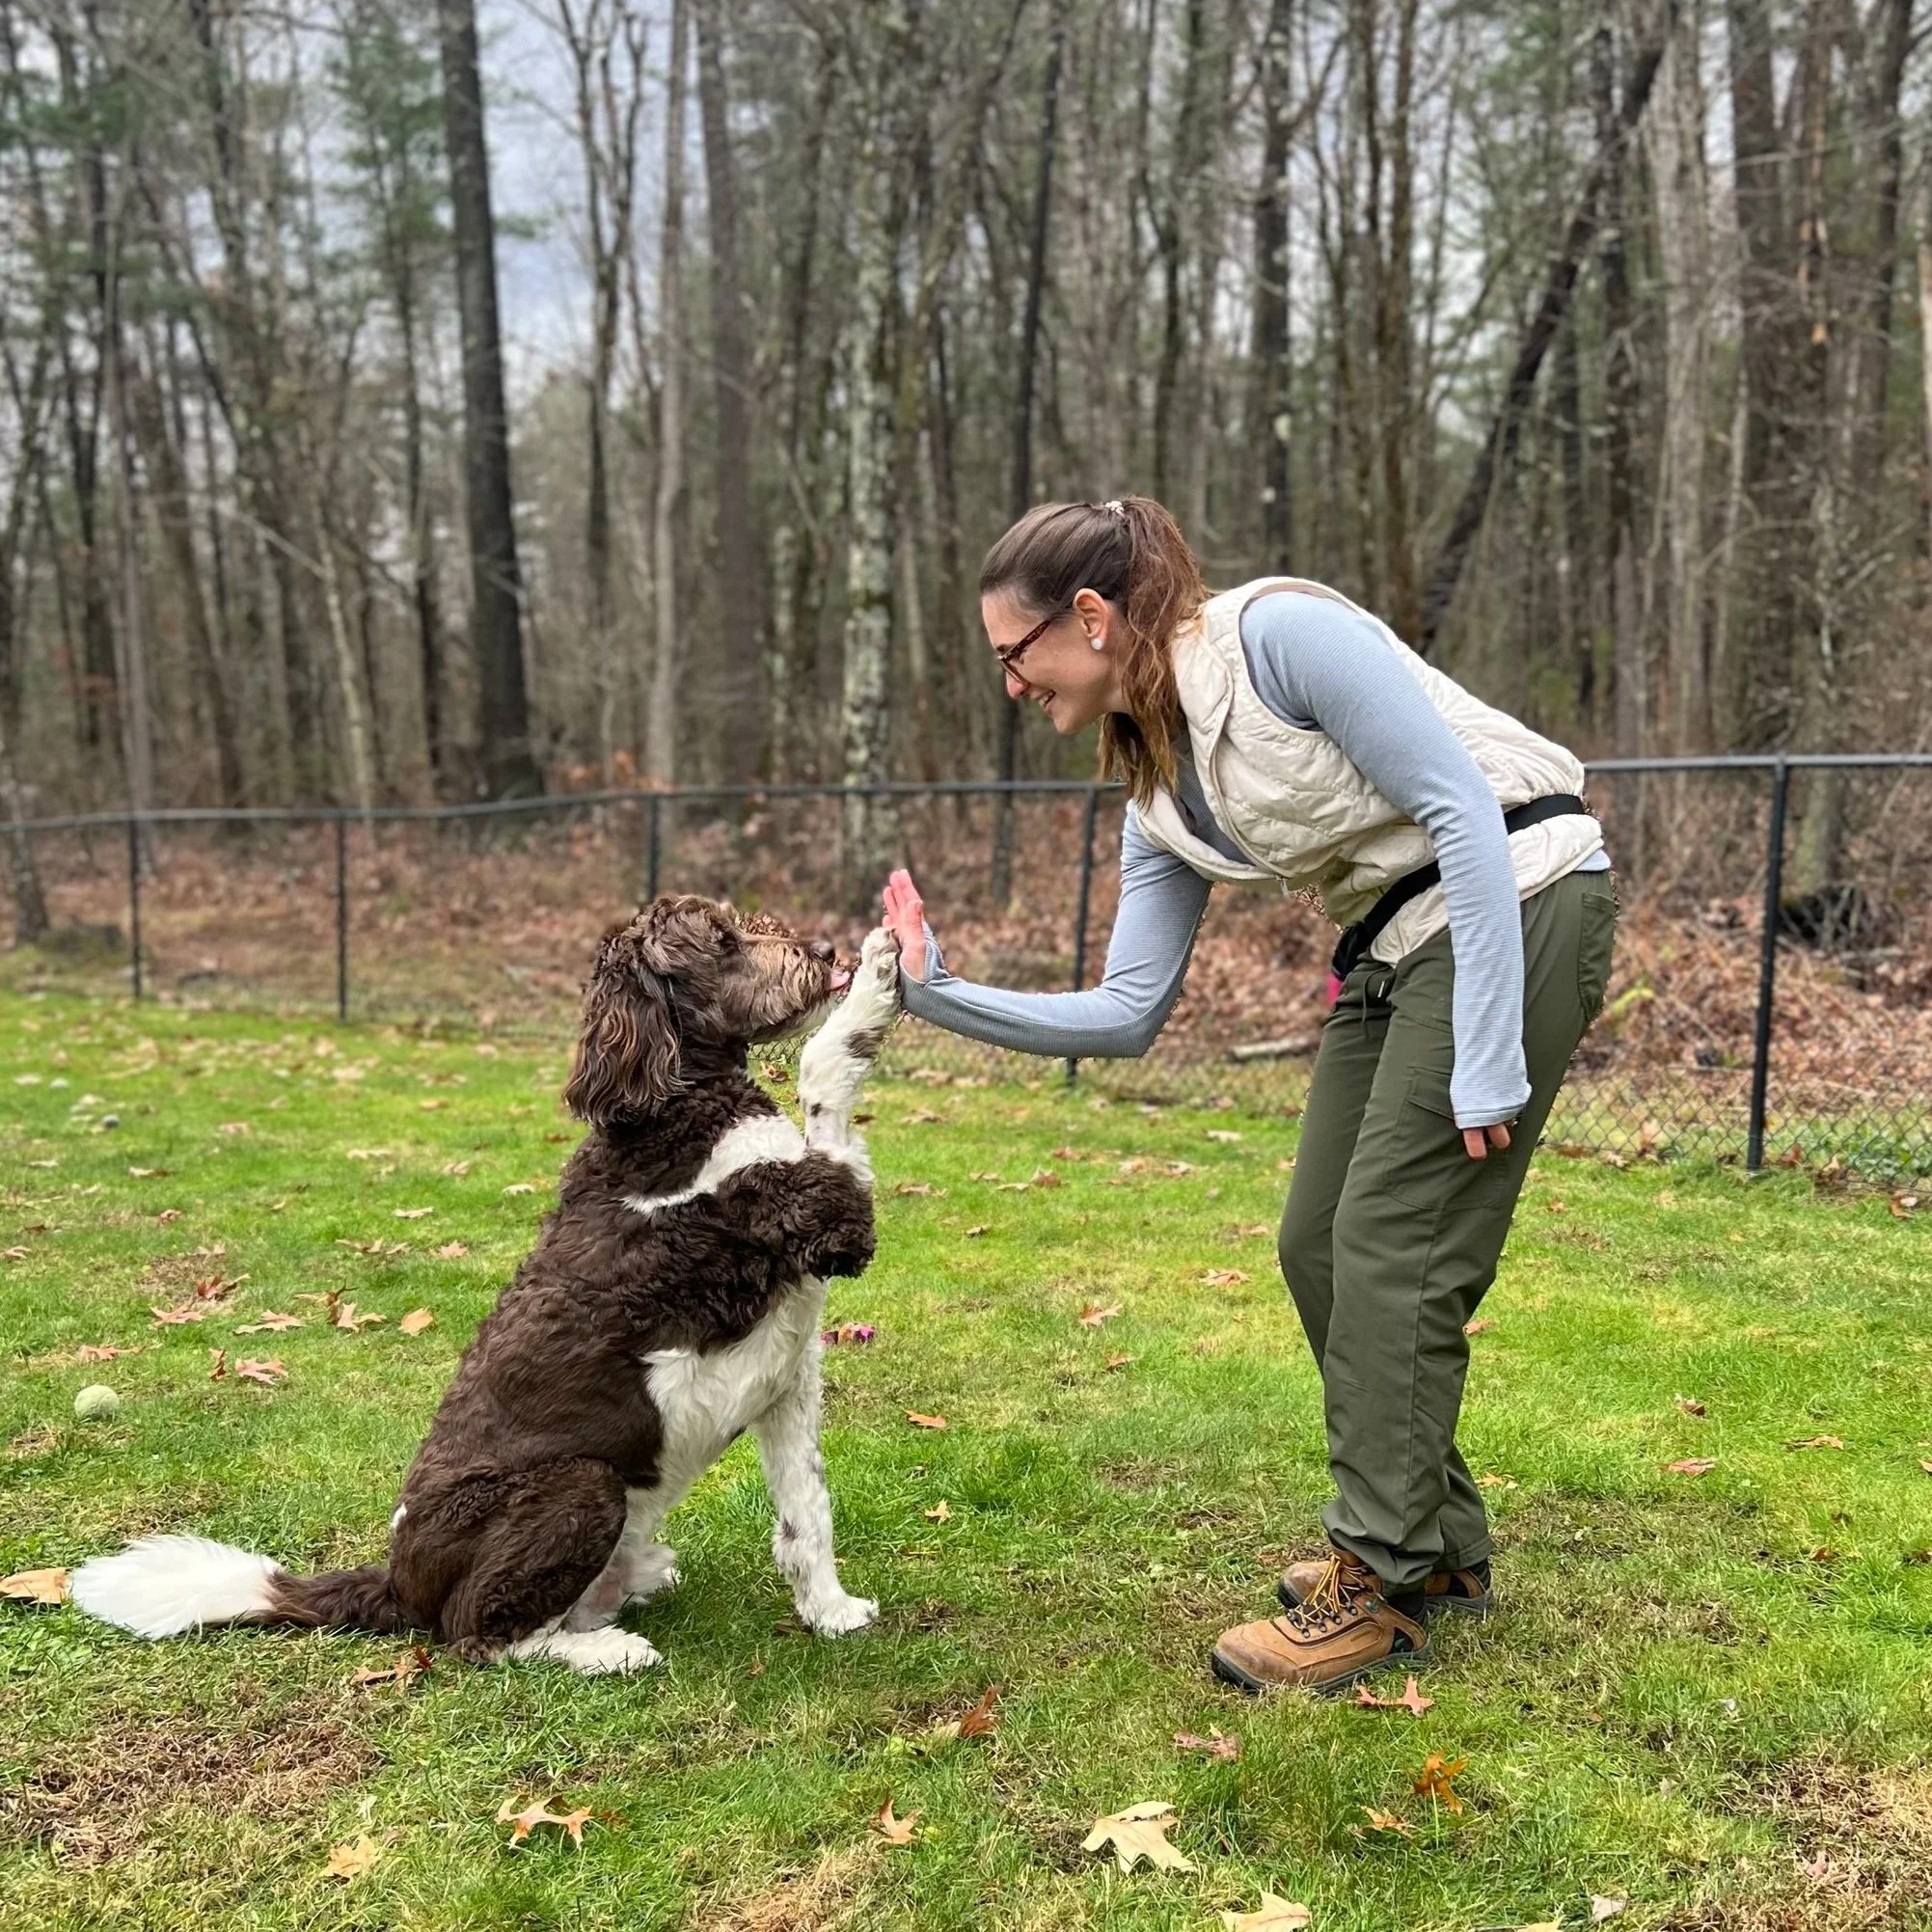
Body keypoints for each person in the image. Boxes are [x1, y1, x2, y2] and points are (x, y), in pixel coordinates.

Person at [880, 496, 1616, 1696]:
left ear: (1091, 615)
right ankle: (1439, 1548)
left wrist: (1486, 1047)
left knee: (1388, 1241)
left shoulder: (1274, 635)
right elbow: (1124, 1014)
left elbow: (1460, 810)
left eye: (1014, 656)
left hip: (1516, 901)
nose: (1010, 686)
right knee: (1314, 1242)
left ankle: (1373, 1577)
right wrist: (935, 990)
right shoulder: (1157, 799)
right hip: (1389, 943)